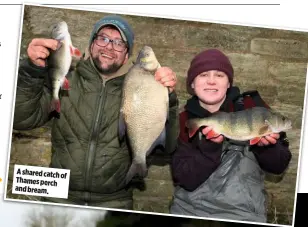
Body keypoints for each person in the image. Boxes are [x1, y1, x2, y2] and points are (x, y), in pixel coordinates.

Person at [13, 15, 179, 209]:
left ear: (126, 55)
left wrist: (168, 99)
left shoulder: (140, 89)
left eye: (119, 43)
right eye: (103, 38)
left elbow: (169, 146)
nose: (109, 46)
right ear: (91, 45)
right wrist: (31, 71)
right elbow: (21, 119)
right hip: (57, 196)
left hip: (114, 202)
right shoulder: (65, 81)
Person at [169, 48, 292, 223]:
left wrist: (268, 148)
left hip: (244, 215)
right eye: (203, 75)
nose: (211, 81)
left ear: (229, 83)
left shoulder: (253, 106)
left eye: (219, 75)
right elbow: (184, 178)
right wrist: (210, 148)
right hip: (189, 212)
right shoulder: (184, 120)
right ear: (192, 84)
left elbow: (279, 165)